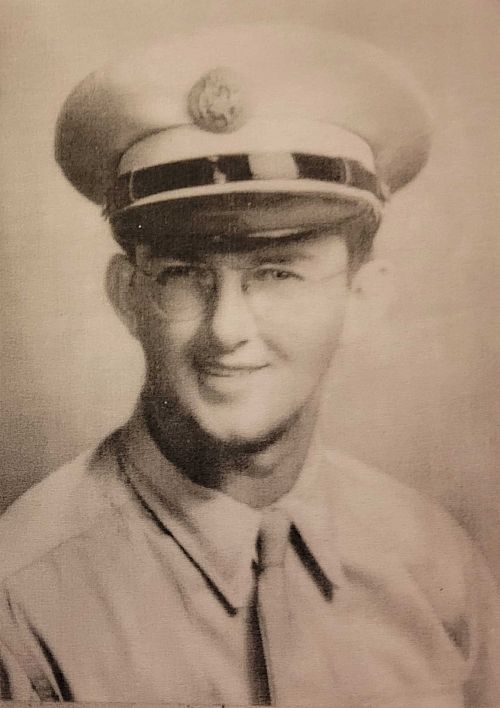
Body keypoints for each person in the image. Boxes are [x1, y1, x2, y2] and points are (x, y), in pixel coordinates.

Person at [0, 23, 499, 707]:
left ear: (363, 298)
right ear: (127, 296)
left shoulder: (436, 565)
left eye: (278, 274)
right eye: (183, 274)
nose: (227, 330)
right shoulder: (21, 601)